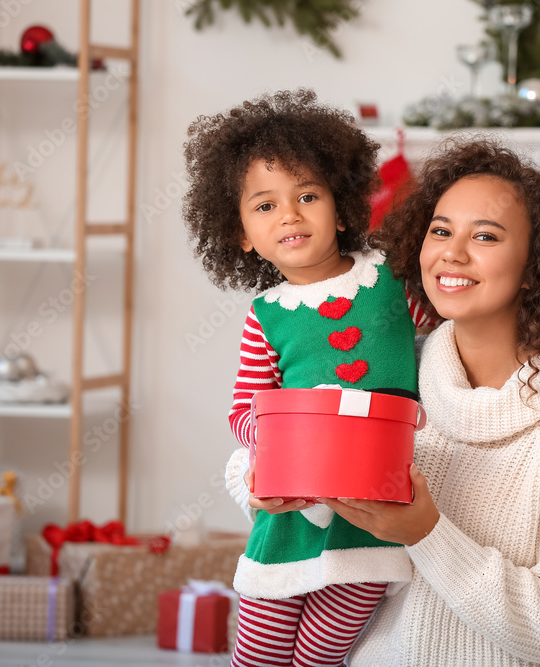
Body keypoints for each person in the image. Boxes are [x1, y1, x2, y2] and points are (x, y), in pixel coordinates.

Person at [227, 138, 540, 665]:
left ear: (535, 266)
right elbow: (256, 451)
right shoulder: (404, 367)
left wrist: (426, 534)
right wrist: (261, 481)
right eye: (441, 230)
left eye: (486, 236)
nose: (452, 253)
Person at [182, 89, 433, 667]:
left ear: (342, 208)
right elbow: (245, 411)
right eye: (264, 206)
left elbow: (451, 340)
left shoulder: (392, 281)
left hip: (372, 515)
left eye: (307, 196)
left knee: (320, 656)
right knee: (260, 653)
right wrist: (273, 454)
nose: (289, 215)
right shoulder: (266, 315)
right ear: (240, 232)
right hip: (293, 512)